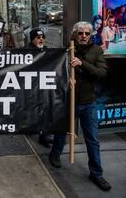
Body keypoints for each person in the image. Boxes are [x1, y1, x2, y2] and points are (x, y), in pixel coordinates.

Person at [49, 22, 111, 191]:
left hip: (88, 102)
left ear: (91, 35)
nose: (83, 36)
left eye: (87, 34)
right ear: (75, 34)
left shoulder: (97, 50)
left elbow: (102, 73)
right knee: (62, 131)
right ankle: (55, 154)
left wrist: (82, 64)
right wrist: (66, 78)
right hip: (68, 100)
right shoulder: (66, 50)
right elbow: (54, 72)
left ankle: (97, 173)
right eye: (80, 33)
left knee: (92, 139)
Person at [27, 28, 53, 147]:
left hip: (43, 85)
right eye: (38, 37)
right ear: (32, 39)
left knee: (44, 109)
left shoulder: (47, 51)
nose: (41, 39)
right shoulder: (25, 52)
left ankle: (44, 135)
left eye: (43, 37)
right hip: (30, 85)